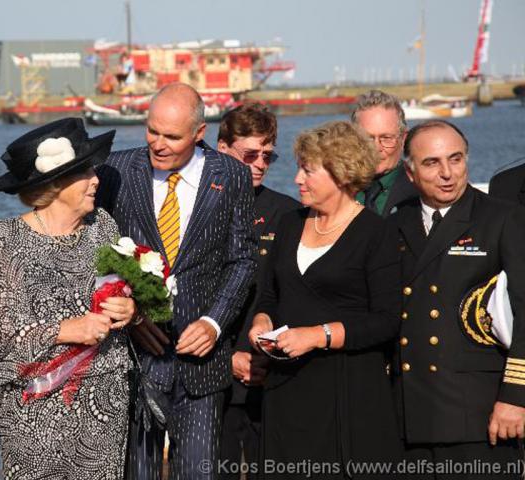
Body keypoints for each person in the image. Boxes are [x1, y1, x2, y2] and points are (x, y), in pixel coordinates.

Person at [97, 83, 256, 479]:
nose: (159, 144)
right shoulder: (114, 170)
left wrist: (214, 322)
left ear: (200, 133)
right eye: (152, 131)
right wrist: (127, 312)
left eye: (172, 136)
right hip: (134, 361)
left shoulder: (231, 174)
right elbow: (95, 254)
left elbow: (242, 260)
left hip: (201, 365)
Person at [0, 118, 136, 479]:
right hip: (34, 414)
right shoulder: (8, 238)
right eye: (86, 172)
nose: (96, 180)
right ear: (56, 183)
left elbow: (118, 293)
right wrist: (66, 330)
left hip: (103, 410)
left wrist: (129, 310)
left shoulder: (104, 227)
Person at [249, 121, 402, 479]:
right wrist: (261, 323)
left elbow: (386, 319)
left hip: (346, 393)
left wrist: (318, 335)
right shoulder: (289, 223)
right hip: (286, 388)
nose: (298, 178)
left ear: (342, 173)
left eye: (308, 170)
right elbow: (269, 294)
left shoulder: (376, 233)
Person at [391, 120, 525, 478]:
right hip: (409, 412)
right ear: (410, 171)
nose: (447, 173)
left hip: (480, 412)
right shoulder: (396, 222)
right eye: (432, 163)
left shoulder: (502, 218)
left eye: (456, 159)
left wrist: (515, 397)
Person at [216, 103, 299, 478]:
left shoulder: (288, 214)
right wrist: (227, 357)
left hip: (270, 374)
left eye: (269, 155)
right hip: (213, 378)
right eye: (251, 154)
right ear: (222, 148)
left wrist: (267, 357)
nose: (261, 163)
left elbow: (293, 295)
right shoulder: (194, 209)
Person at [352, 89, 417, 217]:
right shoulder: (338, 188)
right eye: (367, 138)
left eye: (386, 138)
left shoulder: (421, 189)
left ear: (403, 139)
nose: (376, 148)